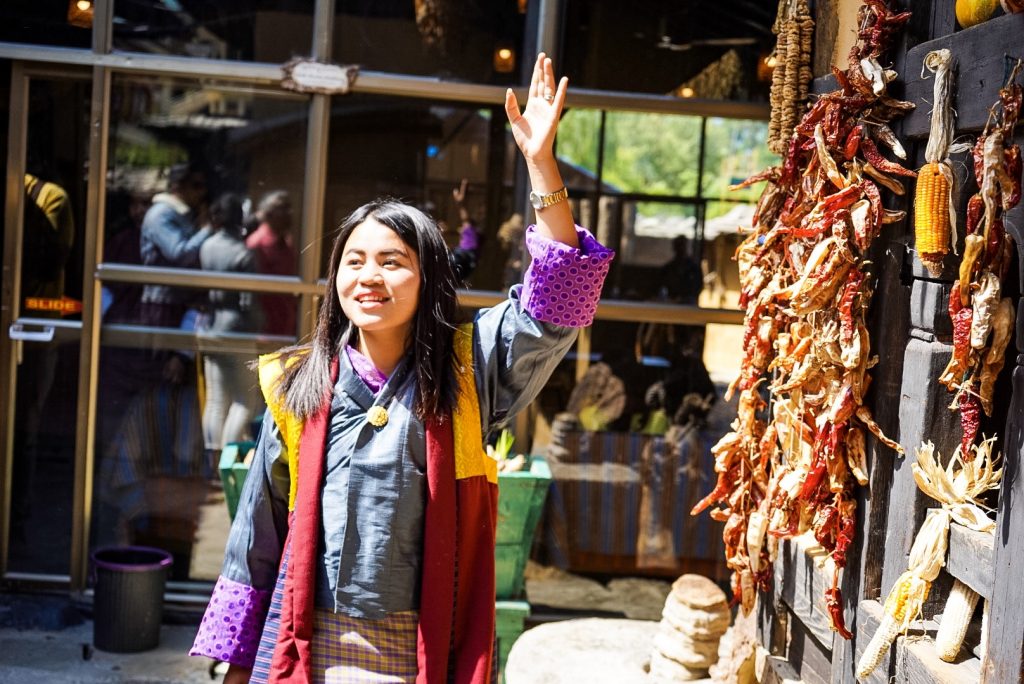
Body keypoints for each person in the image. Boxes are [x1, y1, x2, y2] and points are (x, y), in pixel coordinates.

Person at [190, 53, 614, 684]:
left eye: (392, 261)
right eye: (353, 260)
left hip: (420, 643)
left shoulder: (470, 370)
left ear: (429, 279)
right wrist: (237, 653)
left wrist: (541, 166)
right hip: (310, 631)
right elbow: (258, 525)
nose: (368, 276)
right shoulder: (297, 382)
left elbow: (558, 301)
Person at [199, 193, 263, 453]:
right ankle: (228, 461)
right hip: (237, 330)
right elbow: (247, 303)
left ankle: (211, 461)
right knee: (244, 401)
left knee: (215, 400)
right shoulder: (243, 253)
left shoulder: (207, 246)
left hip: (211, 325)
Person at [140, 161, 210, 329]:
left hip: (180, 300)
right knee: (162, 355)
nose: (202, 192)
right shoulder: (161, 214)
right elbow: (179, 253)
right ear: (179, 187)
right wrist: (207, 230)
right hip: (163, 303)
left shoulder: (183, 214)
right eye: (196, 185)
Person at [247, 190, 297, 337]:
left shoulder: (286, 241)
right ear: (268, 213)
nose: (289, 212)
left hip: (287, 322)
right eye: (283, 208)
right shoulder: (256, 244)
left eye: (289, 207)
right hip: (265, 325)